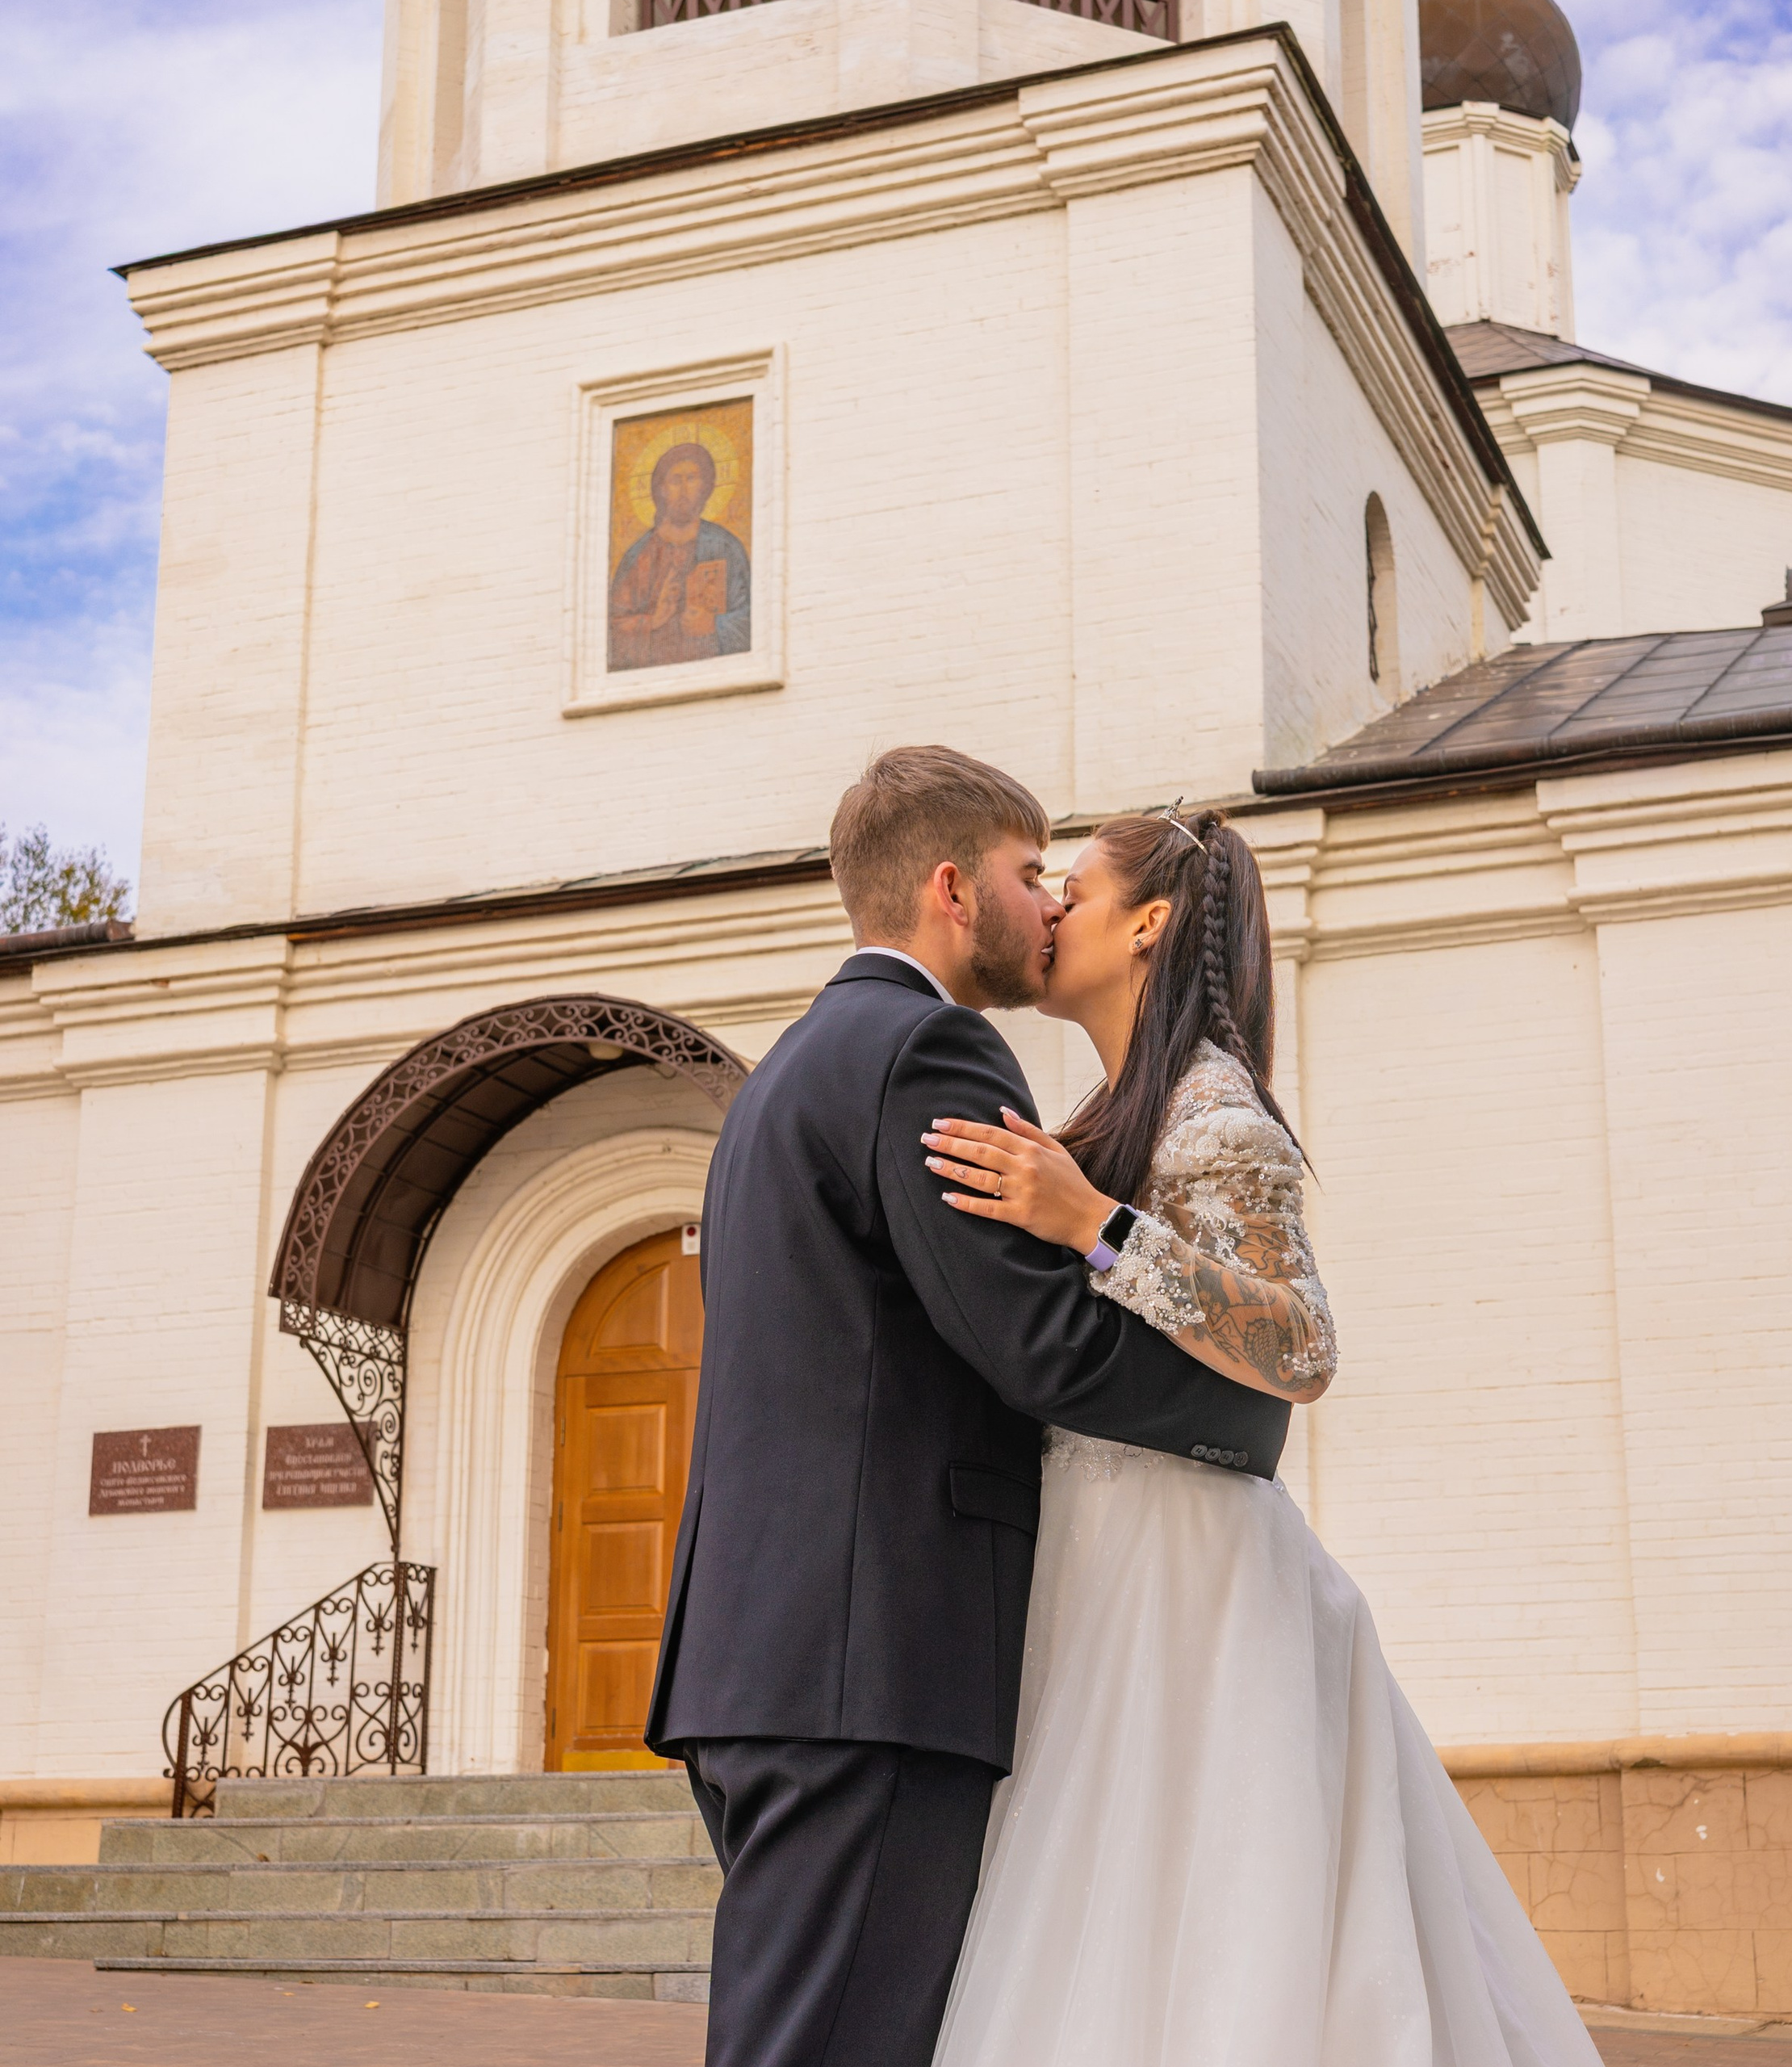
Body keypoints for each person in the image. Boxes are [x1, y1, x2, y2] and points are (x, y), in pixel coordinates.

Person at [918, 806, 1606, 2067]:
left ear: (1151, 924)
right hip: (1100, 1547)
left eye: (1074, 889)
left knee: (1209, 1902)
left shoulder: (1216, 1114)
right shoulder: (1116, 1104)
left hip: (1190, 1574)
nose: (1051, 912)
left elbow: (1302, 1348)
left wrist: (1095, 1228)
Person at [643, 750, 1290, 2067]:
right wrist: (1248, 1410)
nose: (1047, 905)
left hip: (756, 1659)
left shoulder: (775, 1080)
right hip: (871, 1664)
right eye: (1027, 873)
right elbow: (1043, 1345)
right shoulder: (928, 1048)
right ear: (953, 888)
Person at [607, 441, 751, 668]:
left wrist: (714, 625)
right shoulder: (640, 555)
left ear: (705, 487)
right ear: (662, 489)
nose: (684, 490)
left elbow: (752, 618)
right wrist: (653, 621)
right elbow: (610, 630)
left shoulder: (725, 547)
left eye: (692, 479)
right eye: (675, 480)